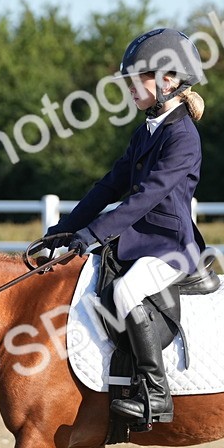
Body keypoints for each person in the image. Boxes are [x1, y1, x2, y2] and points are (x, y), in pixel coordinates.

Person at [35, 27, 207, 426]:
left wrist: (93, 234)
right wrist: (64, 229)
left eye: (136, 80)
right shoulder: (147, 131)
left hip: (169, 246)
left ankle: (155, 391)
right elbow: (110, 185)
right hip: (137, 242)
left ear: (168, 81)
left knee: (128, 290)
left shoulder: (183, 136)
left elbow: (145, 196)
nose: (129, 88)